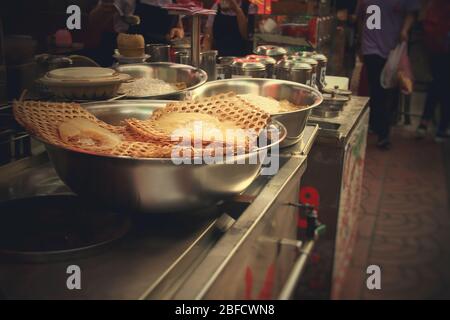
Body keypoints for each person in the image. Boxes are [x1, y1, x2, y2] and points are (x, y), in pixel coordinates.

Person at [357, 0, 420, 149]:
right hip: (371, 48)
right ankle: (382, 133)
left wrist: (405, 30)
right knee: (378, 90)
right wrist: (360, 42)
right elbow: (361, 17)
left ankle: (378, 125)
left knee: (386, 91)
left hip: (392, 49)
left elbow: (412, 12)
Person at [87, 0, 184, 66]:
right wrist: (105, 8)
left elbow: (179, 27)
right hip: (127, 60)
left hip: (161, 60)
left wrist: (177, 31)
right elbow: (94, 22)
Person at [415, 0, 450, 142]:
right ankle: (441, 128)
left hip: (435, 48)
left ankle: (425, 123)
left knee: (437, 85)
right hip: (442, 49)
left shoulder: (435, 5)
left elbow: (427, 23)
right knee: (445, 88)